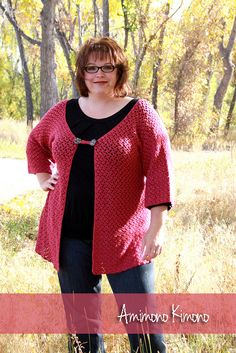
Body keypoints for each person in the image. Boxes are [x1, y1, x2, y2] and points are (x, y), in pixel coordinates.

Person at [26, 37, 173, 353]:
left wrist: (157, 227)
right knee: (82, 337)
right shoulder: (61, 112)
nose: (99, 74)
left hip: (127, 240)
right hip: (70, 238)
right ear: (82, 73)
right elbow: (36, 142)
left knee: (146, 336)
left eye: (107, 66)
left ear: (120, 71)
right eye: (91, 67)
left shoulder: (139, 113)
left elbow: (160, 167)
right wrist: (41, 176)